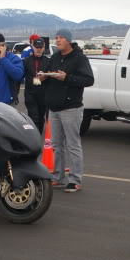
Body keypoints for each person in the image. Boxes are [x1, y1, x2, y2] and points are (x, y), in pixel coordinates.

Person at [41, 28, 94, 193]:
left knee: (73, 145)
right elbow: (48, 77)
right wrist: (43, 77)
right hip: (54, 108)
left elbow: (88, 79)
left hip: (71, 108)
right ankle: (58, 177)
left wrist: (67, 78)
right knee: (56, 145)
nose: (57, 40)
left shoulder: (79, 58)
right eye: (56, 38)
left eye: (61, 38)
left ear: (68, 40)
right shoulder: (55, 57)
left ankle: (75, 179)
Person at [23, 38, 51, 132]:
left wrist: (46, 77)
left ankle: (38, 140)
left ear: (44, 48)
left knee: (41, 119)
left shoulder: (48, 61)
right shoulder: (26, 61)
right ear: (32, 47)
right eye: (37, 47)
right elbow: (19, 76)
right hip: (31, 95)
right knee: (34, 119)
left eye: (41, 47)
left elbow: (52, 76)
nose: (39, 49)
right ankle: (35, 141)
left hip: (44, 95)